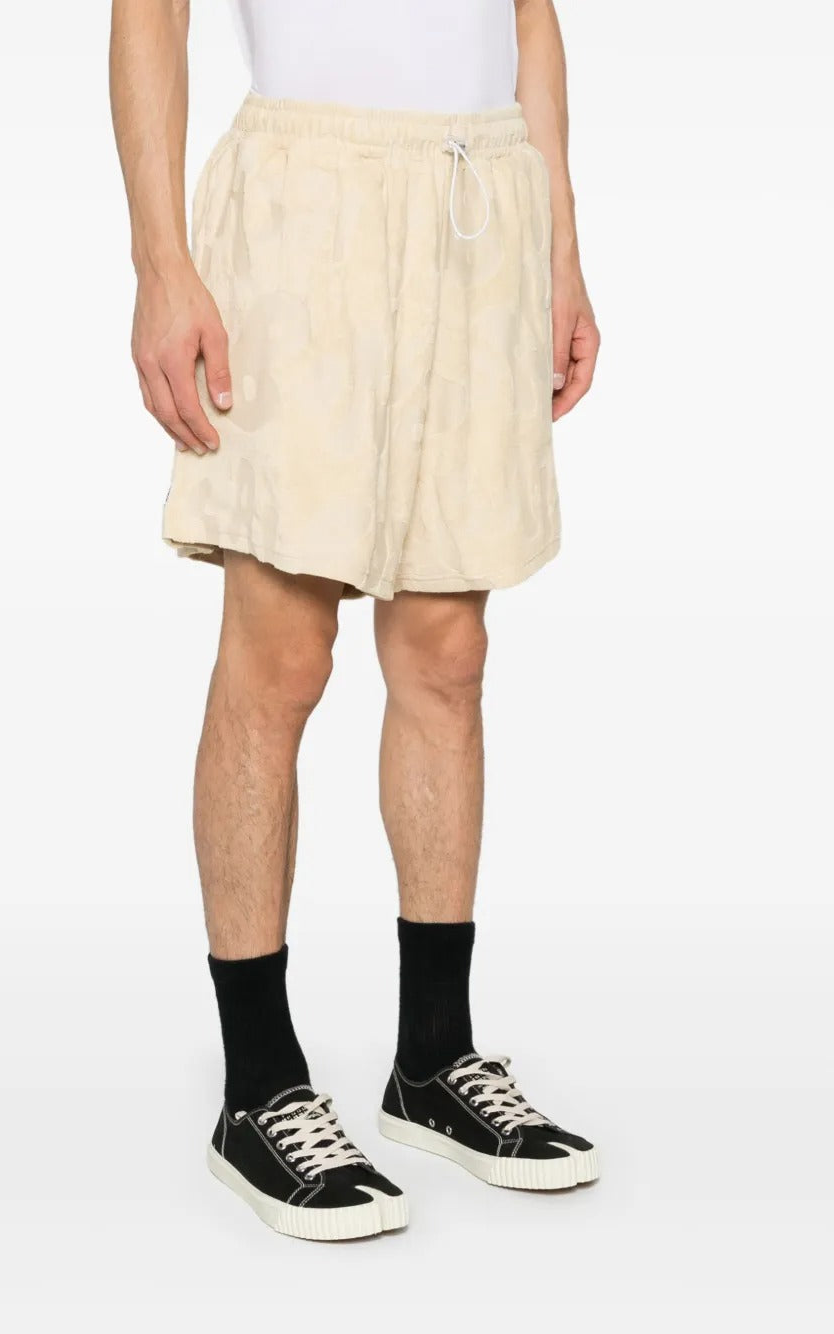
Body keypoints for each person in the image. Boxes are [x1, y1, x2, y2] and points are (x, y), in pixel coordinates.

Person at [110, 0, 600, 1240]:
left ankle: (432, 1057)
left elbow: (528, 17)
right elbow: (149, 12)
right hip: (303, 200)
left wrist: (561, 244)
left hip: (478, 195)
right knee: (280, 652)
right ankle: (257, 1082)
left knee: (447, 651)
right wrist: (160, 263)